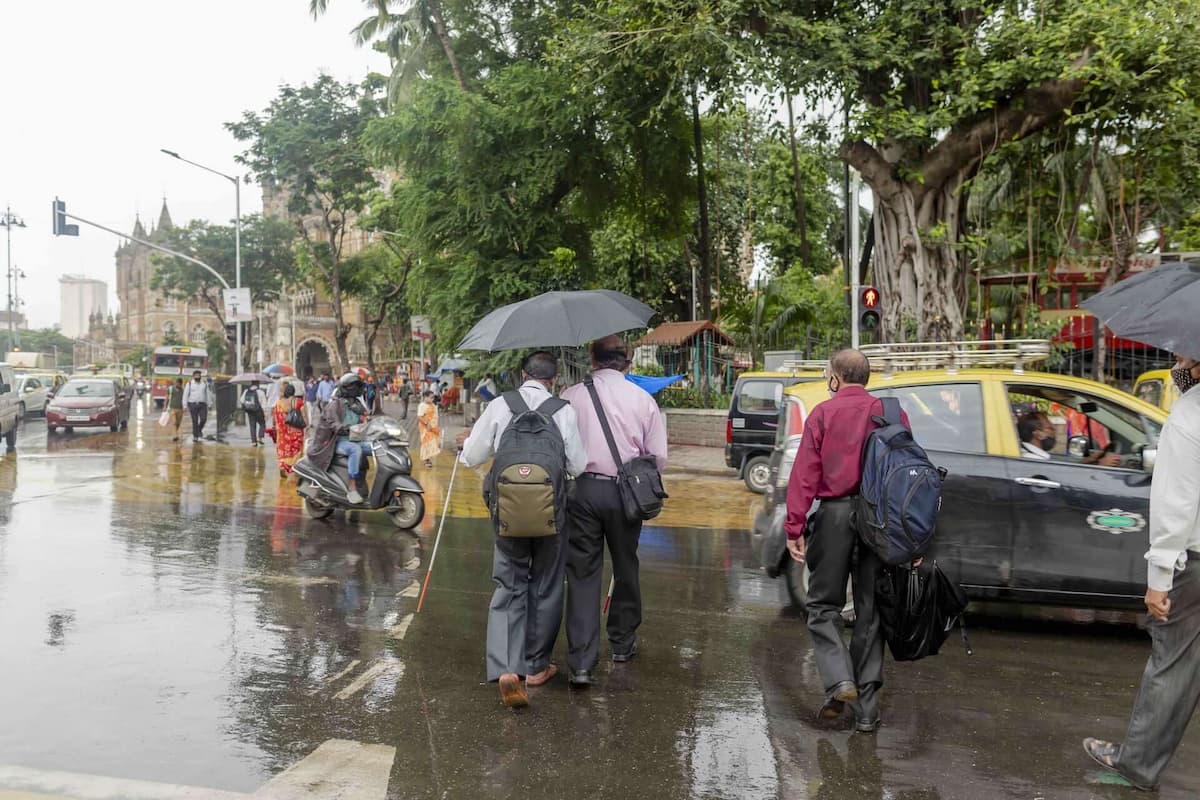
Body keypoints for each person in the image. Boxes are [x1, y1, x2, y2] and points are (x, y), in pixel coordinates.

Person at [1084, 356, 1200, 791]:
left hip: (1194, 563)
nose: (1176, 365)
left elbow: (1175, 507)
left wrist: (1159, 580)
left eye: (1184, 358)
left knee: (1171, 665)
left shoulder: (1189, 416)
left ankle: (1137, 762)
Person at [783, 349, 909, 733]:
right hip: (878, 519)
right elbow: (904, 472)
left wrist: (794, 527)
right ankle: (867, 714)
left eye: (827, 375)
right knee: (870, 612)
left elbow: (805, 474)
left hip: (835, 515)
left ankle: (840, 680)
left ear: (835, 378)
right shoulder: (890, 414)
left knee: (823, 605)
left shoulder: (823, 413)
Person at [456, 352, 588, 706]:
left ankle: (506, 668)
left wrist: (468, 443)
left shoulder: (501, 405)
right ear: (554, 380)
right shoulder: (563, 410)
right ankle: (536, 667)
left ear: (521, 375)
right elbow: (578, 463)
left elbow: (472, 456)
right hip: (551, 514)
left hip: (507, 513)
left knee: (508, 583)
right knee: (546, 585)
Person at [562, 335, 669, 686]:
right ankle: (622, 643)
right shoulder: (642, 399)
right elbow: (658, 457)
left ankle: (580, 662)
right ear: (628, 361)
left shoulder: (570, 396)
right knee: (625, 565)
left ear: (592, 359)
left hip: (581, 491)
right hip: (626, 492)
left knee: (582, 573)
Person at [307, 373, 373, 505]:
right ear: (346, 388)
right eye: (354, 386)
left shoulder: (358, 404)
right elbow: (334, 425)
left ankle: (364, 482)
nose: (357, 389)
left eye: (358, 386)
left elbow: (366, 418)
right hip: (337, 442)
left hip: (355, 439)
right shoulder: (334, 405)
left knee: (376, 447)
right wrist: (347, 428)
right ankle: (352, 488)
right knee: (355, 449)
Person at [1018, 410, 1120, 466]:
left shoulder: (1032, 454)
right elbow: (1062, 478)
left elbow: (1062, 469)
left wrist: (1090, 460)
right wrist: (1101, 465)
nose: (1055, 428)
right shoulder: (1033, 460)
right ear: (1038, 434)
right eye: (1049, 428)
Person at [272, 383, 306, 478]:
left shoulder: (279, 403)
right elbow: (304, 417)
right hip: (296, 431)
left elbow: (274, 417)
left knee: (283, 450)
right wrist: (306, 426)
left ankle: (283, 466)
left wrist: (274, 426)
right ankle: (295, 468)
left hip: (282, 432)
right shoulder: (299, 402)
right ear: (294, 392)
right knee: (296, 450)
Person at [182, 370, 210, 443]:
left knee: (203, 419)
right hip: (192, 404)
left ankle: (199, 430)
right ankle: (195, 436)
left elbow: (208, 394)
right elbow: (185, 394)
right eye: (196, 375)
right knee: (195, 421)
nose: (197, 376)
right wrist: (184, 405)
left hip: (202, 404)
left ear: (200, 376)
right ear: (193, 376)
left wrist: (210, 403)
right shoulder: (190, 384)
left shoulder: (204, 384)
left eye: (198, 375)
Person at [417, 390, 441, 468]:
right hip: (425, 427)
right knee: (426, 443)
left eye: (433, 398)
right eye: (431, 398)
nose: (432, 399)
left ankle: (428, 458)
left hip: (433, 427)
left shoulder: (433, 405)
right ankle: (426, 460)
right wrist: (427, 423)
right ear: (425, 397)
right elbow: (419, 416)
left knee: (433, 442)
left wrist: (434, 425)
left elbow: (435, 416)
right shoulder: (422, 405)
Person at [241, 381, 268, 447]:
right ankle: (260, 438)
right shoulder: (261, 392)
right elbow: (264, 404)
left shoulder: (246, 391)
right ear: (258, 384)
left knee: (252, 426)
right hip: (258, 411)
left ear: (251, 384)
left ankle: (253, 442)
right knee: (262, 423)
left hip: (250, 410)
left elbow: (241, 400)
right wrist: (265, 413)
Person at [166, 378, 185, 442]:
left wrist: (186, 407)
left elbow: (185, 399)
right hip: (172, 408)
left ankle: (175, 433)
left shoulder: (183, 390)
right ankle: (175, 436)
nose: (177, 384)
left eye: (179, 383)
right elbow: (167, 398)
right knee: (174, 422)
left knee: (178, 423)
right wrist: (164, 406)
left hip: (180, 409)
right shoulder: (170, 389)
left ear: (181, 384)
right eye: (176, 382)